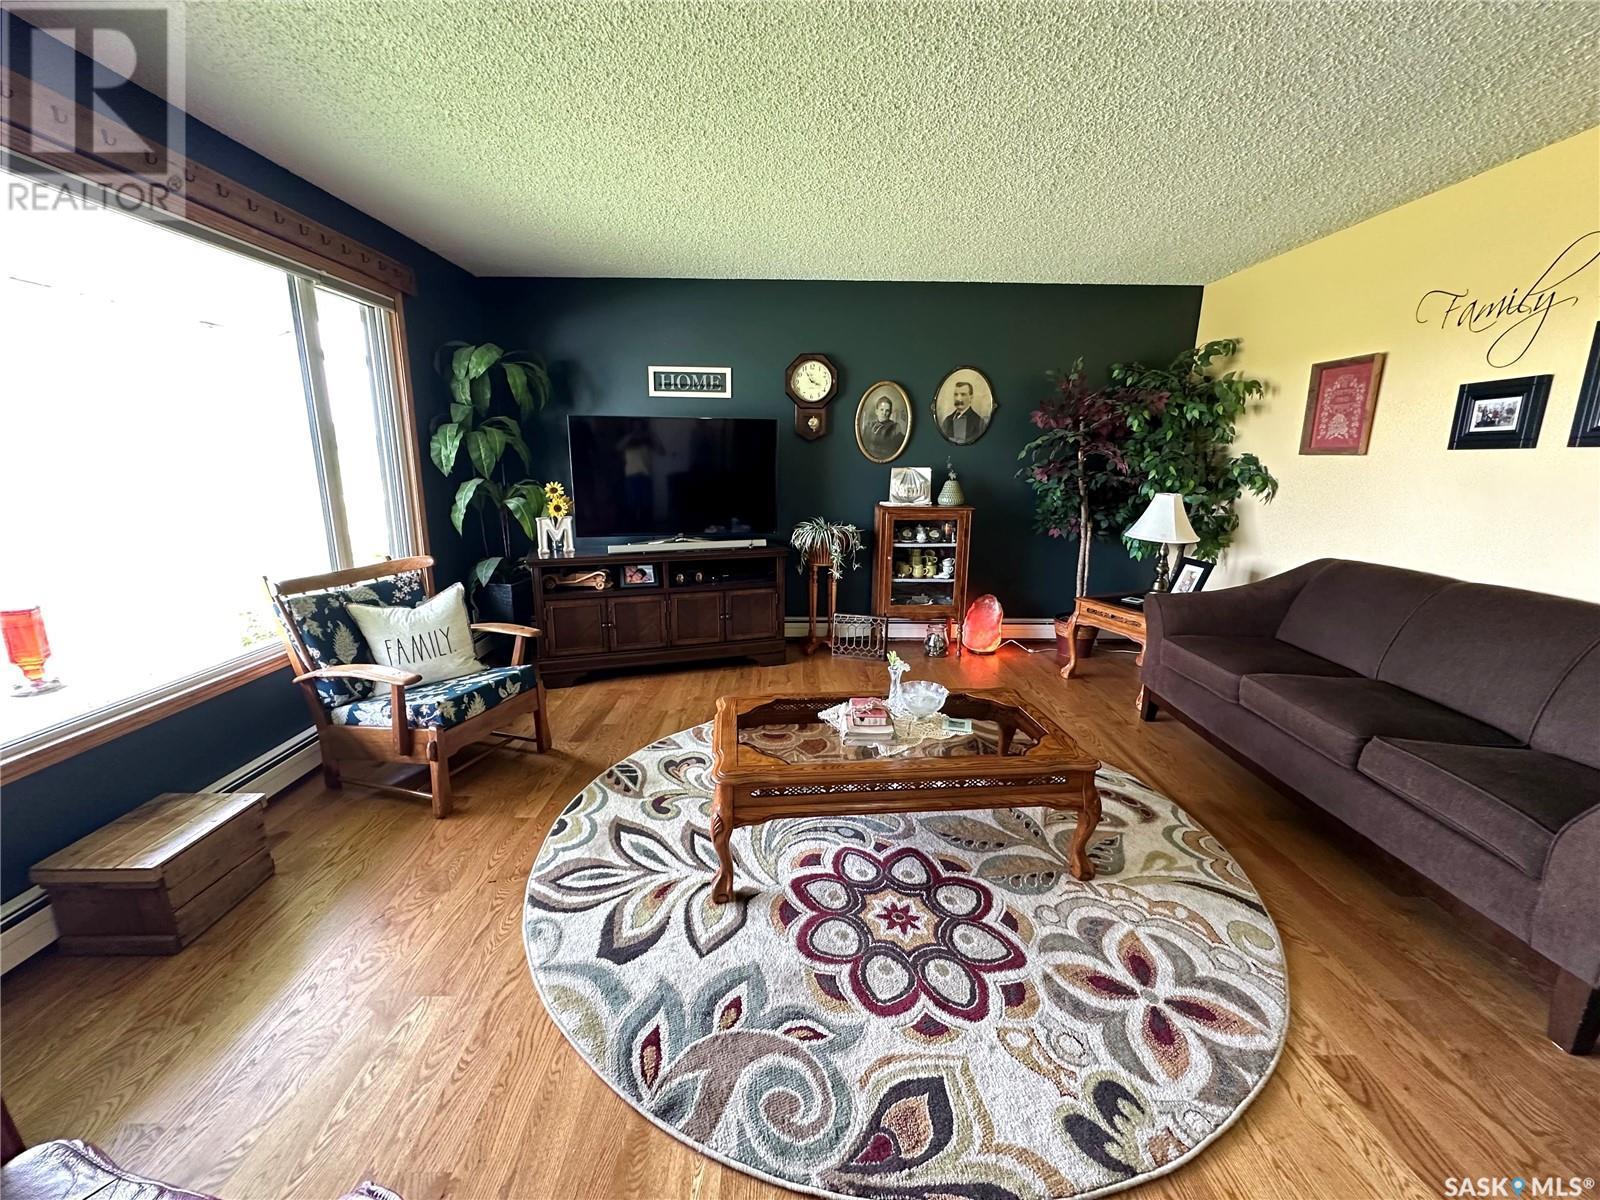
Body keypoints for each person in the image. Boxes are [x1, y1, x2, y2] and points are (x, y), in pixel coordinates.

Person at [862, 394, 904, 459]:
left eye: (887, 410)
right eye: (882, 409)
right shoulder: (869, 426)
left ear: (890, 413)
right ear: (876, 411)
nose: (884, 413)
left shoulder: (895, 427)